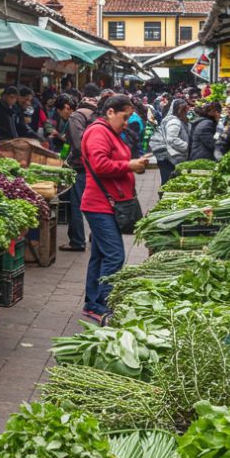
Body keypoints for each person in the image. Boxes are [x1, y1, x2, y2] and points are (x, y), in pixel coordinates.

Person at [79, 95, 148, 324]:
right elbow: (100, 165)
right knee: (115, 255)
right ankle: (102, 304)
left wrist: (134, 167)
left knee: (100, 255)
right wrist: (129, 165)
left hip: (107, 204)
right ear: (110, 112)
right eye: (124, 117)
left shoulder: (110, 132)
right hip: (100, 204)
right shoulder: (98, 132)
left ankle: (92, 303)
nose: (127, 122)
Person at [60, 84, 101, 252]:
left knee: (77, 204)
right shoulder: (96, 112)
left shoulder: (77, 116)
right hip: (96, 165)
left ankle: (77, 241)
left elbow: (78, 145)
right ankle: (95, 235)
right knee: (94, 202)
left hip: (82, 167)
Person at [149, 98, 191, 184]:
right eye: (185, 109)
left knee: (168, 178)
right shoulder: (174, 121)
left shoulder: (173, 119)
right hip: (168, 157)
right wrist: (186, 146)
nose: (187, 111)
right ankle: (163, 196)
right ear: (180, 110)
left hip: (166, 155)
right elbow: (172, 139)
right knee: (168, 180)